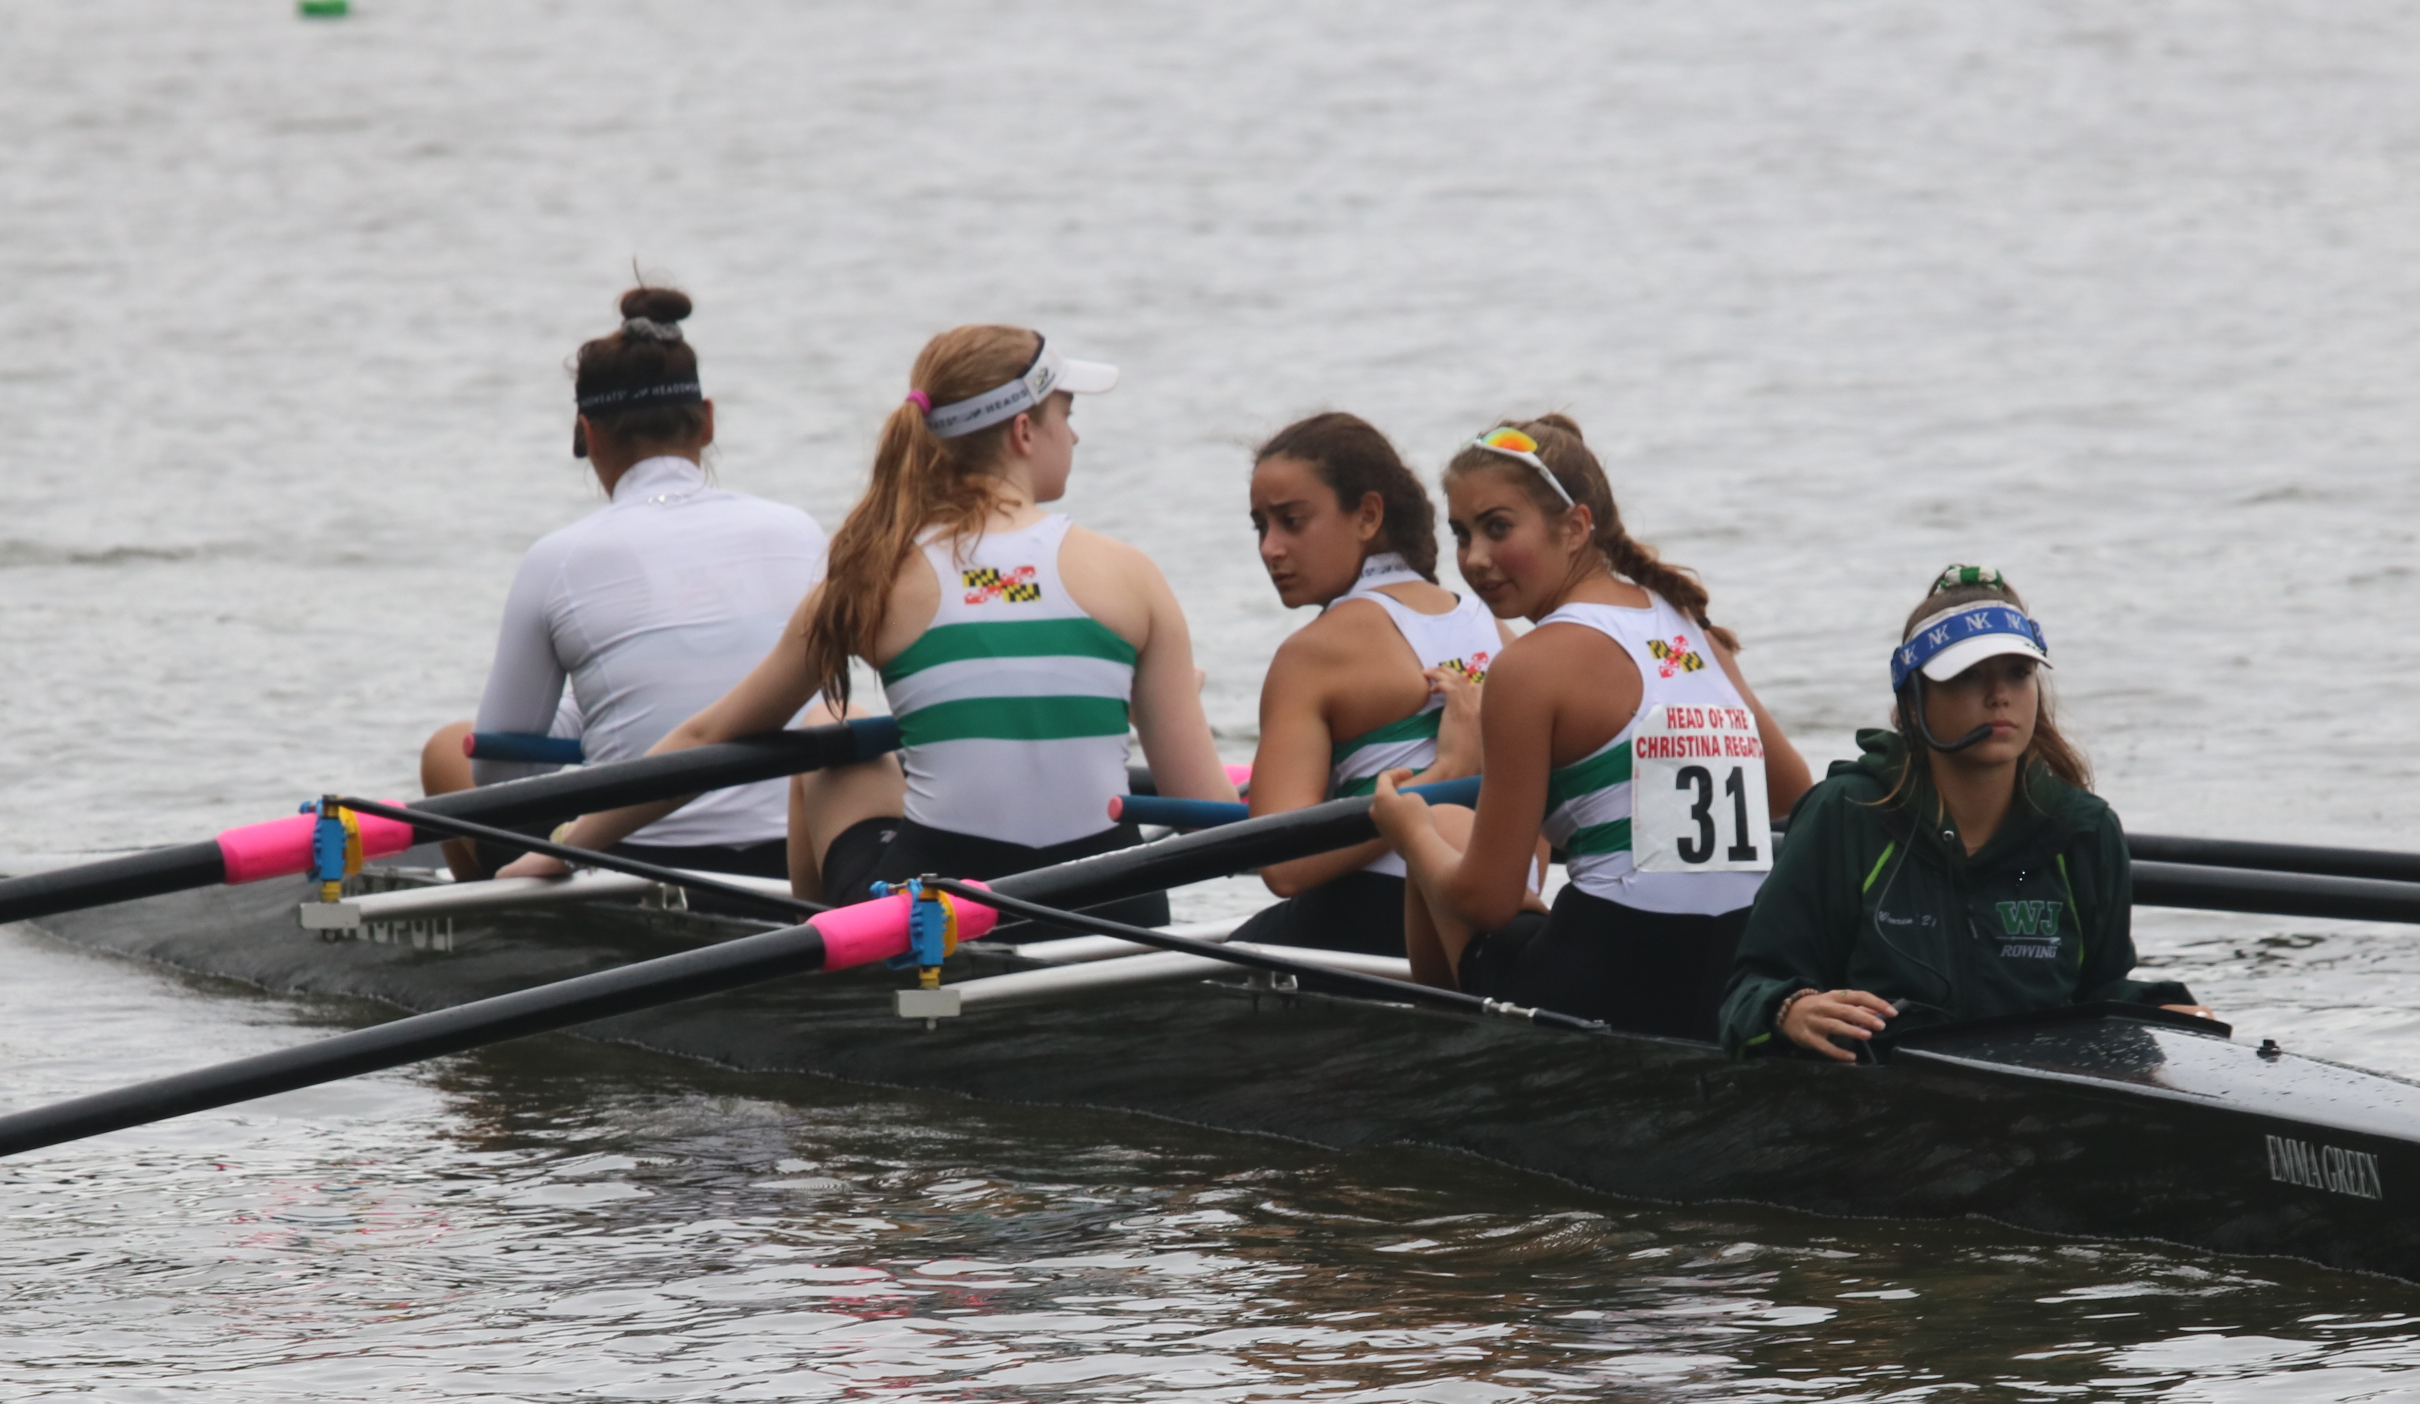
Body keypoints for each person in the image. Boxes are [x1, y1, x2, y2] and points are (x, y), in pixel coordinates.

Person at [520, 324, 1235, 930]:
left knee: (826, 727)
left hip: (932, 918)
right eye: (1066, 413)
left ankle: (816, 972)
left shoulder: (874, 575)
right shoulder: (1131, 576)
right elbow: (1211, 818)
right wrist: (1156, 703)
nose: (1072, 434)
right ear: (1024, 431)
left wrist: (566, 846)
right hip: (1119, 911)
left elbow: (710, 738)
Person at [1368, 415, 1810, 1039]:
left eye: (1498, 528)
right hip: (1733, 980)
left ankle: (1439, 1057)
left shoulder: (1528, 666)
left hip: (1609, 983)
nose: (1475, 559)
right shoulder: (1694, 632)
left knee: (1438, 825)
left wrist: (1408, 832)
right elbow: (1794, 797)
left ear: (1575, 527)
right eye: (1462, 535)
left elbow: (1486, 901)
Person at [419, 285, 826, 879]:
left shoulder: (557, 559)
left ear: (588, 433)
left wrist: (607, 720)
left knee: (448, 749)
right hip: (792, 858)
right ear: (708, 421)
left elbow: (498, 773)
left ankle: (498, 925)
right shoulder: (800, 531)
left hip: (634, 861)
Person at [1719, 567, 2201, 1061]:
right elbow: (1747, 992)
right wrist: (1790, 1010)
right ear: (1913, 702)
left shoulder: (2085, 830)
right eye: (1968, 675)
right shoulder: (1846, 813)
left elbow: (2101, 994)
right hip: (1879, 1093)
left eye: (2019, 673)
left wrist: (2161, 1012)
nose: (1999, 695)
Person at [1233, 413, 1508, 956]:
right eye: (1261, 526)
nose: (1270, 547)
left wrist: (1444, 775)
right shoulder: (1497, 630)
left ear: (1368, 516)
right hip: (1492, 924)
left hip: (1377, 921)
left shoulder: (1312, 653)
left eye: (1291, 521)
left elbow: (1283, 865)